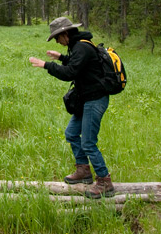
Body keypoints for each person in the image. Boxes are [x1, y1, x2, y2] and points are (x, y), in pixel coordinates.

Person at [29, 16, 115, 199]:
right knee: (71, 133)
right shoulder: (78, 46)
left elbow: (70, 73)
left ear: (65, 33)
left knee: (89, 142)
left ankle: (104, 182)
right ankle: (83, 171)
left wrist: (46, 65)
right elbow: (78, 65)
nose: (58, 42)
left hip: (95, 99)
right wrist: (61, 57)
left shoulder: (82, 47)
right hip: (86, 99)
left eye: (58, 38)